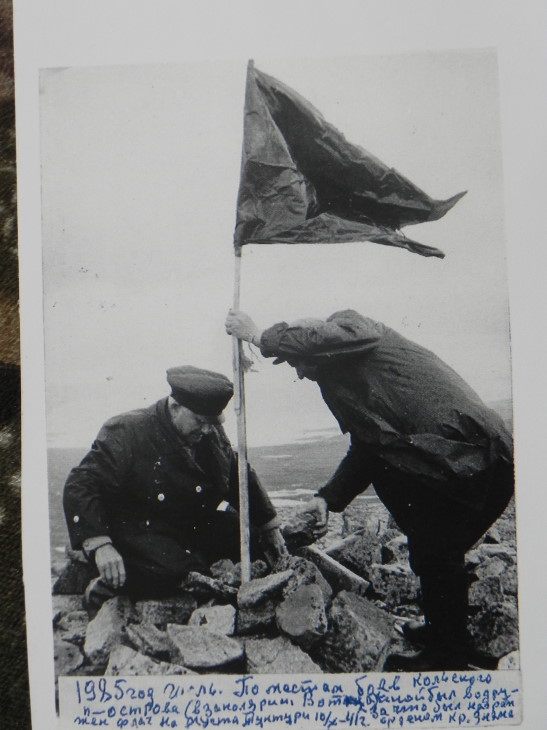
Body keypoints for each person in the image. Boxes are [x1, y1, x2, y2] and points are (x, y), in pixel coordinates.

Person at [225, 308, 514, 671]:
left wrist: (257, 336)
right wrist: (327, 498)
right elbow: (370, 448)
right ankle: (448, 635)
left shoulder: (356, 329)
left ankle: (448, 652)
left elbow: (321, 339)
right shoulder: (352, 376)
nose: (298, 372)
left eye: (297, 360)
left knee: (436, 548)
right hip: (468, 459)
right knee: (439, 549)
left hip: (470, 458)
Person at [63, 365, 287, 611]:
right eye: (200, 422)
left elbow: (237, 474)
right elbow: (81, 483)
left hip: (190, 522)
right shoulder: (127, 430)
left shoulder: (207, 429)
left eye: (211, 423)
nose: (206, 430)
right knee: (182, 573)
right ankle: (106, 583)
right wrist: (100, 545)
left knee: (252, 541)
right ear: (175, 407)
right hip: (140, 529)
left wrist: (269, 525)